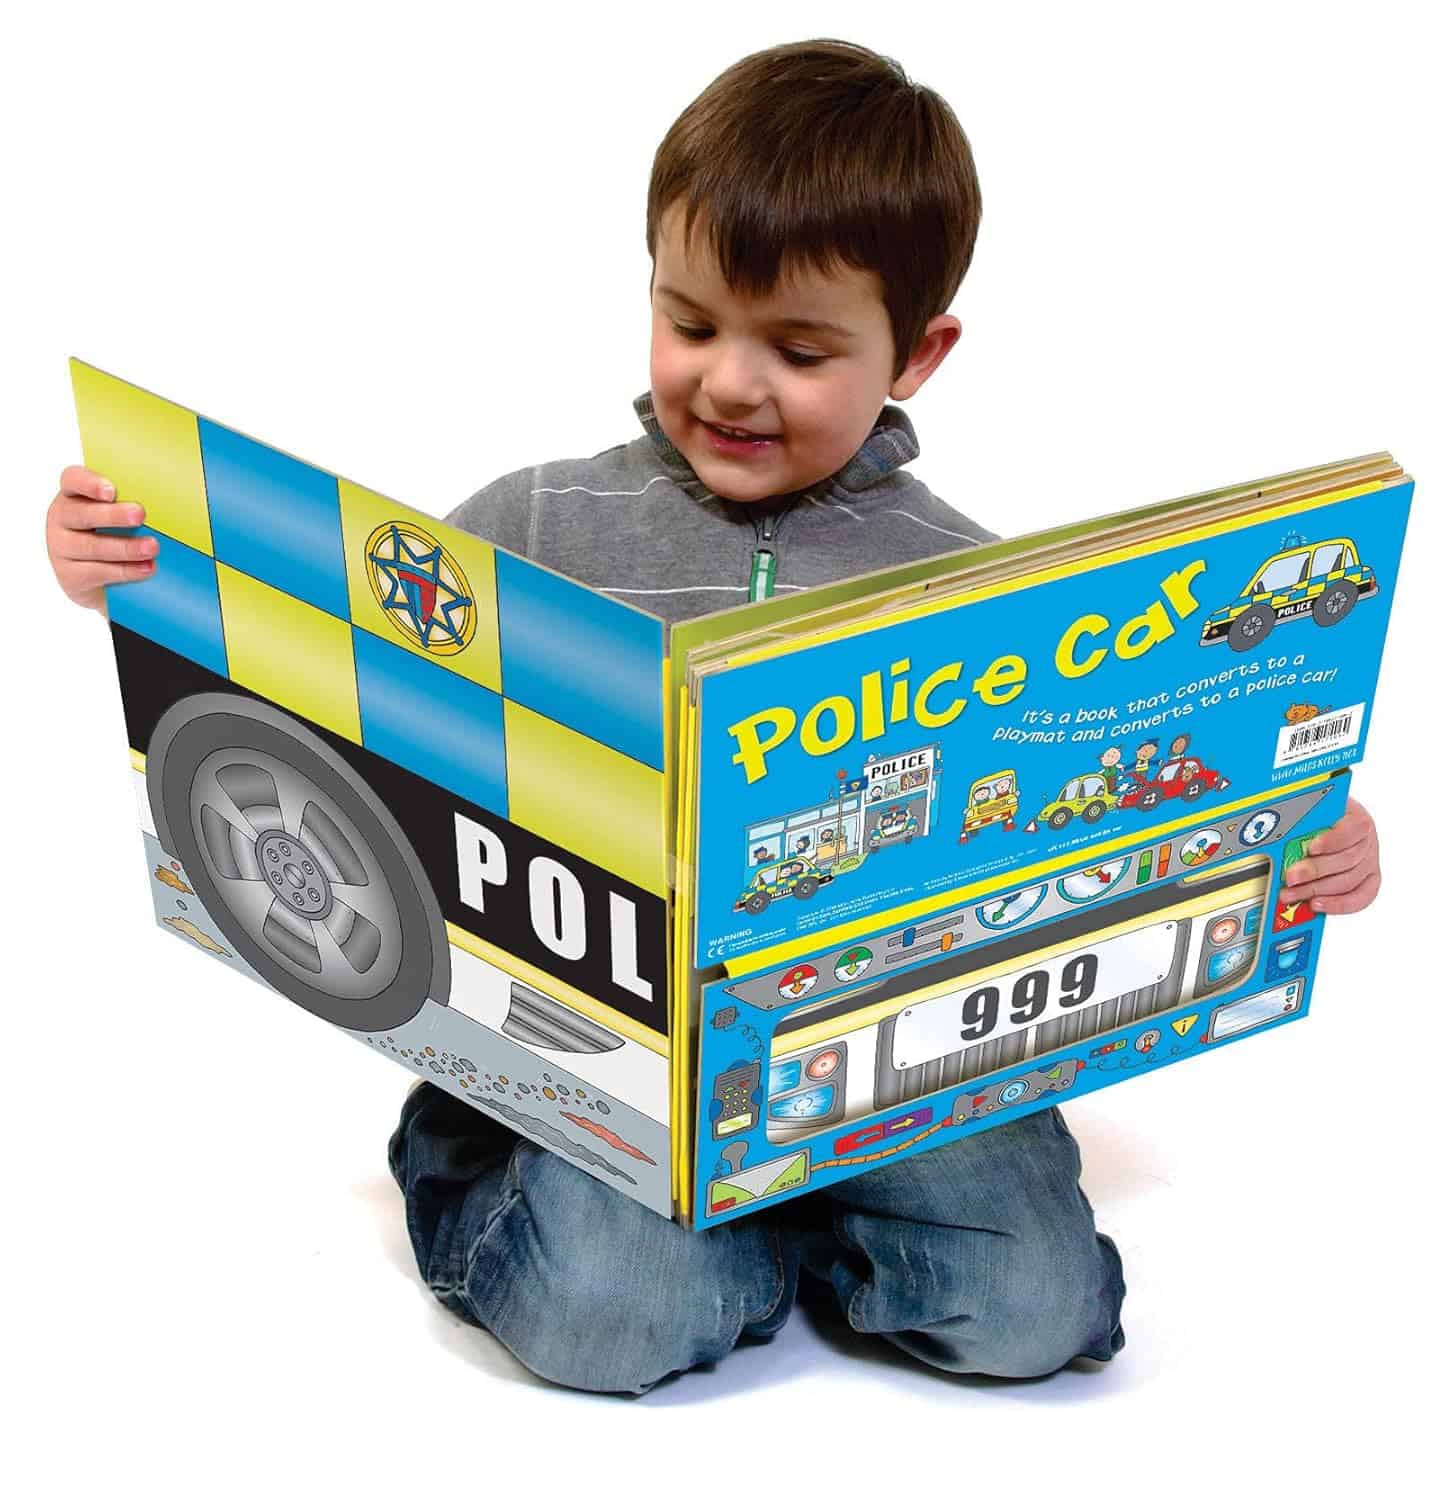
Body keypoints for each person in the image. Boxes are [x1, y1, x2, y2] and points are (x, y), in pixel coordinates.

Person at [44, 39, 1385, 1397]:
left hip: (879, 1067)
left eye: (799, 350)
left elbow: (1125, 793)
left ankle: (783, 1228)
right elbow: (343, 687)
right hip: (597, 1065)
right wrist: (140, 580)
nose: (732, 383)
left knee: (1034, 1315)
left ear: (917, 354)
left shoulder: (985, 597)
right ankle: (606, 1217)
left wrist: (1301, 834)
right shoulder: (531, 524)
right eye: (691, 325)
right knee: (606, 1320)